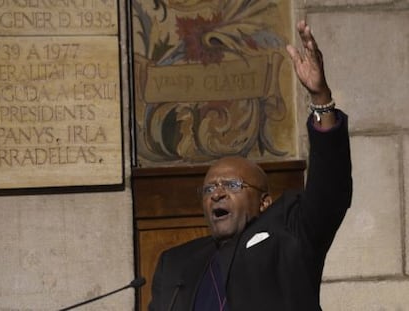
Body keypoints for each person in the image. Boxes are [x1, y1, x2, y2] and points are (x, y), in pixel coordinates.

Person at [148, 20, 353, 311]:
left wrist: (321, 99)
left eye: (231, 185)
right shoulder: (177, 263)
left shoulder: (289, 233)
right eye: (209, 189)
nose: (217, 193)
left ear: (264, 202)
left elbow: (330, 191)